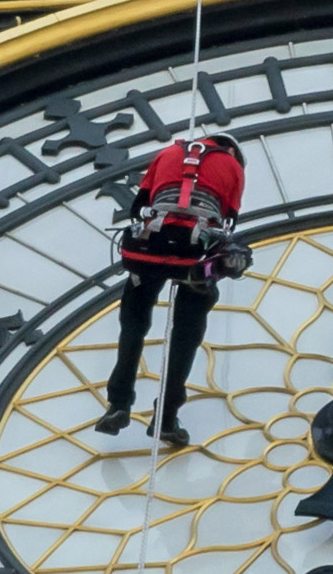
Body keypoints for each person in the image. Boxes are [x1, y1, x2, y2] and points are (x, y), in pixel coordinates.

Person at [96, 135, 251, 449]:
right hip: (195, 253)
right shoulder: (232, 165)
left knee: (133, 324)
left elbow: (140, 204)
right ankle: (166, 417)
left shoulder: (168, 153)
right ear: (232, 150)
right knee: (186, 334)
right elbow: (230, 216)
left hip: (150, 246)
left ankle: (118, 403)